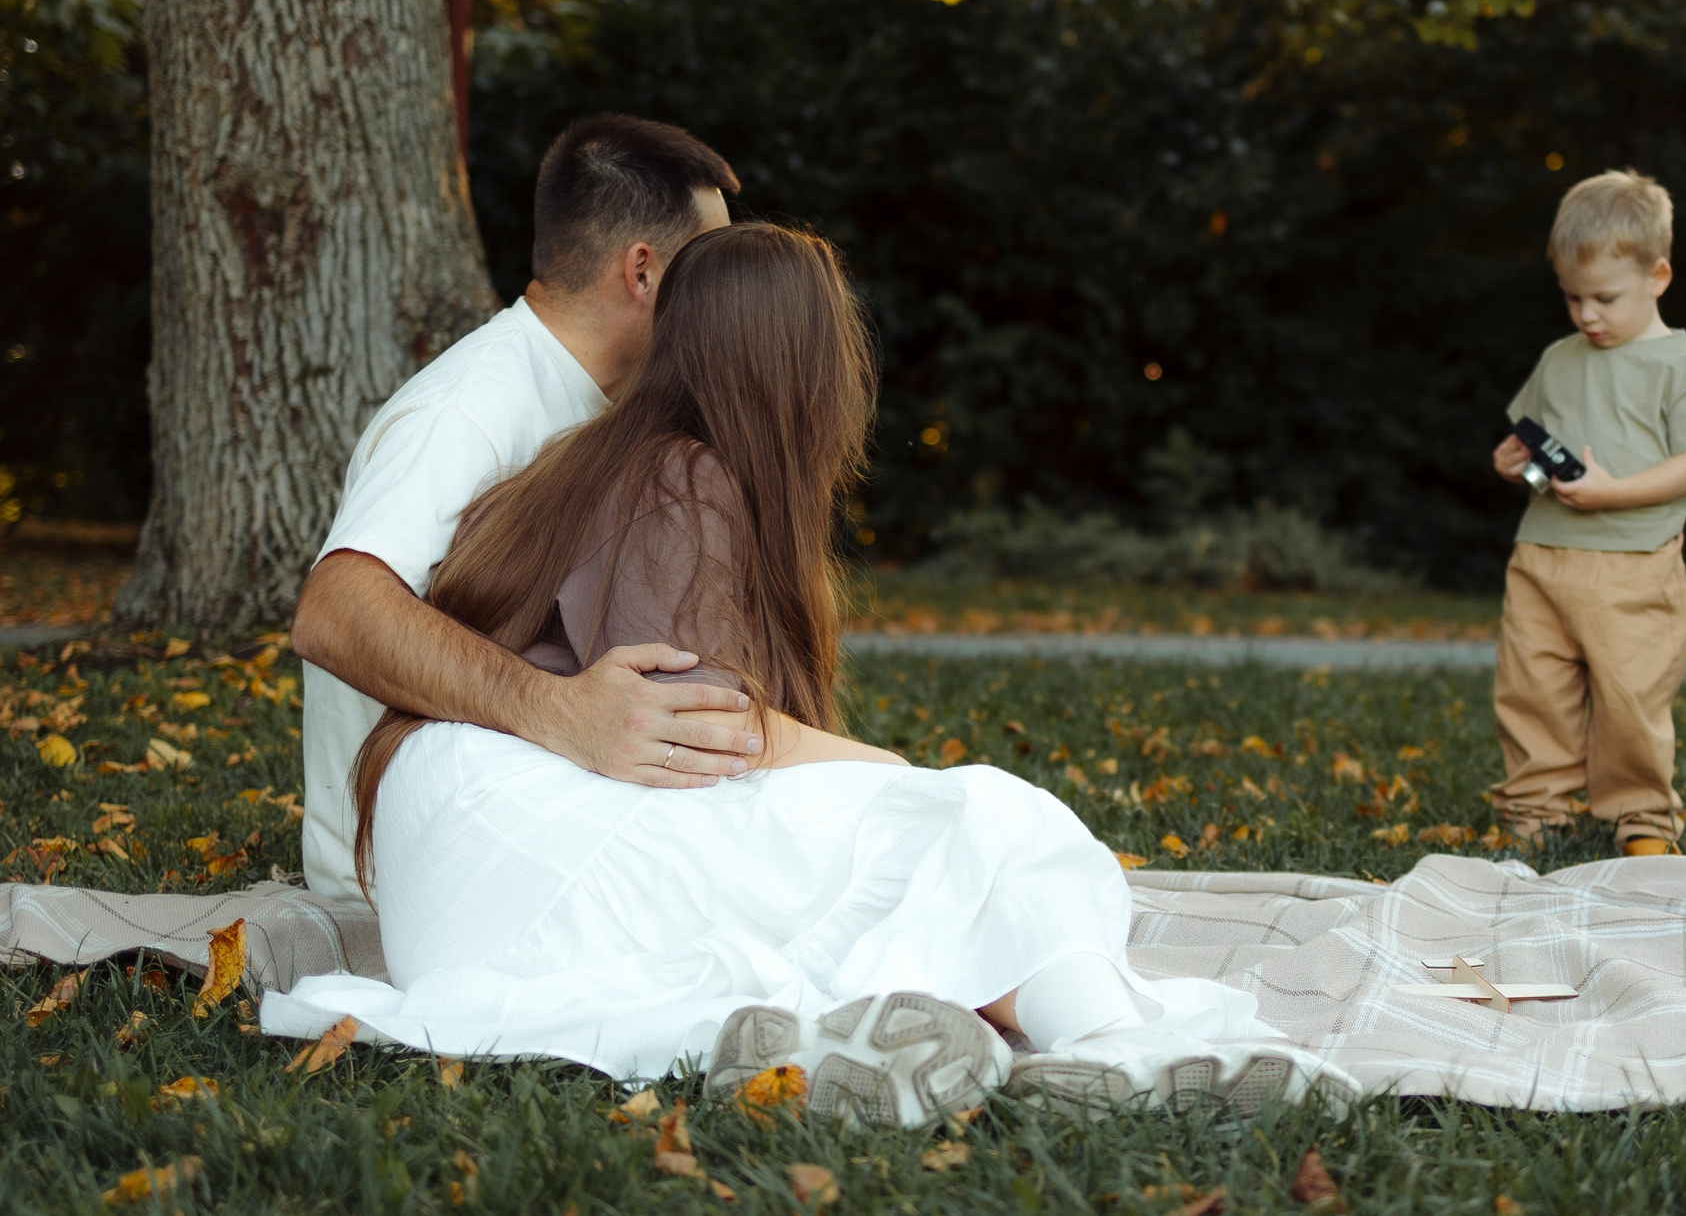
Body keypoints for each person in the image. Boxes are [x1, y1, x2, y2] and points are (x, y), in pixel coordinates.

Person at [268, 222, 1345, 1125]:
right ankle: (1113, 1047)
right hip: (512, 845)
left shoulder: (596, 459)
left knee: (886, 853)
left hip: (454, 865)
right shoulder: (682, 475)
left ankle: (928, 1036)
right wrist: (915, 786)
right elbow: (711, 728)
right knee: (990, 821)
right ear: (800, 365)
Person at [290, 116, 756, 909]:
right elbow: (333, 610)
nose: (723, 292)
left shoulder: (602, 408)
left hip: (513, 820)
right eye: (707, 262)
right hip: (404, 875)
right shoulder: (468, 408)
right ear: (643, 271)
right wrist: (561, 711)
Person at [1487, 171, 1686, 857]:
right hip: (1542, 553)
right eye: (1573, 297)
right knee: (1532, 686)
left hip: (1635, 561)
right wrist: (1517, 463)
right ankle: (1535, 809)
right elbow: (1538, 447)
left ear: (1658, 276)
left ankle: (1642, 816)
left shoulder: (1683, 368)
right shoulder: (1559, 359)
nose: (1587, 315)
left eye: (1605, 297)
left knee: (1630, 694)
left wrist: (1613, 492)